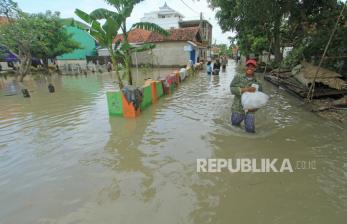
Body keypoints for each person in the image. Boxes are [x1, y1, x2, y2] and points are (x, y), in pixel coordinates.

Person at [230, 59, 263, 133]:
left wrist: (255, 108)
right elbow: (232, 89)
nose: (250, 68)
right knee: (234, 125)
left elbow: (260, 98)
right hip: (238, 107)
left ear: (255, 69)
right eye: (248, 66)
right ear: (245, 67)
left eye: (252, 66)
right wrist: (245, 90)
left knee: (250, 129)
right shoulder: (238, 77)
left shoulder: (258, 82)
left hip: (250, 109)